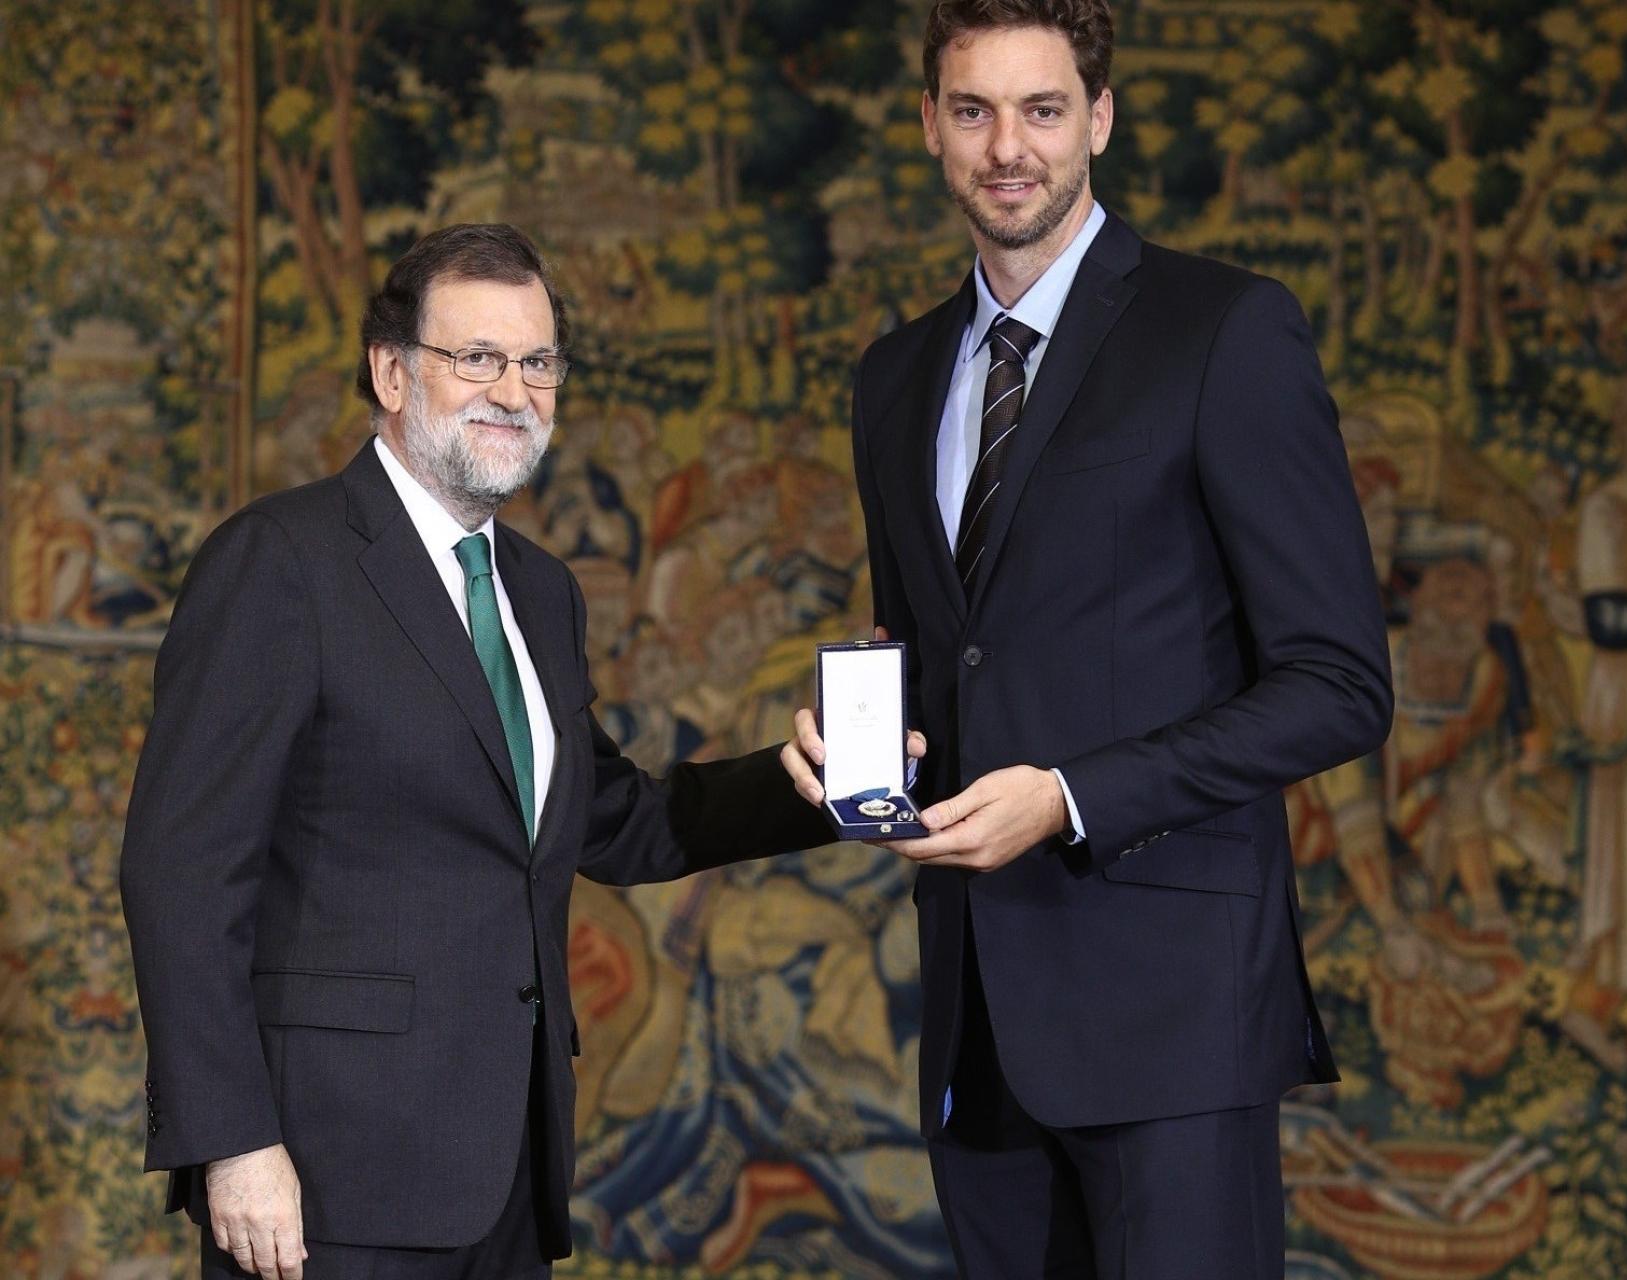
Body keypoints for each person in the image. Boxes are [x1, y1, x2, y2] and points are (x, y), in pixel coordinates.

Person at [780, 2, 1393, 1274]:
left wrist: (1067, 797)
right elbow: (939, 649)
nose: (1009, 146)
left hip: (1171, 1014)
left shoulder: (1223, 329)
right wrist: (856, 754)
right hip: (975, 1019)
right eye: (972, 111)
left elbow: (1337, 684)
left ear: (1097, 121)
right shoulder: (891, 377)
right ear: (931, 131)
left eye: (1042, 110)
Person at [120, 223, 830, 1280]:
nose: (514, 388)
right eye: (478, 358)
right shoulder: (281, 562)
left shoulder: (538, 591)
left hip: (506, 1173)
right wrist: (232, 1141)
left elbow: (608, 816)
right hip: (325, 1178)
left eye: (537, 361)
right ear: (392, 372)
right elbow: (180, 870)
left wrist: (813, 783)